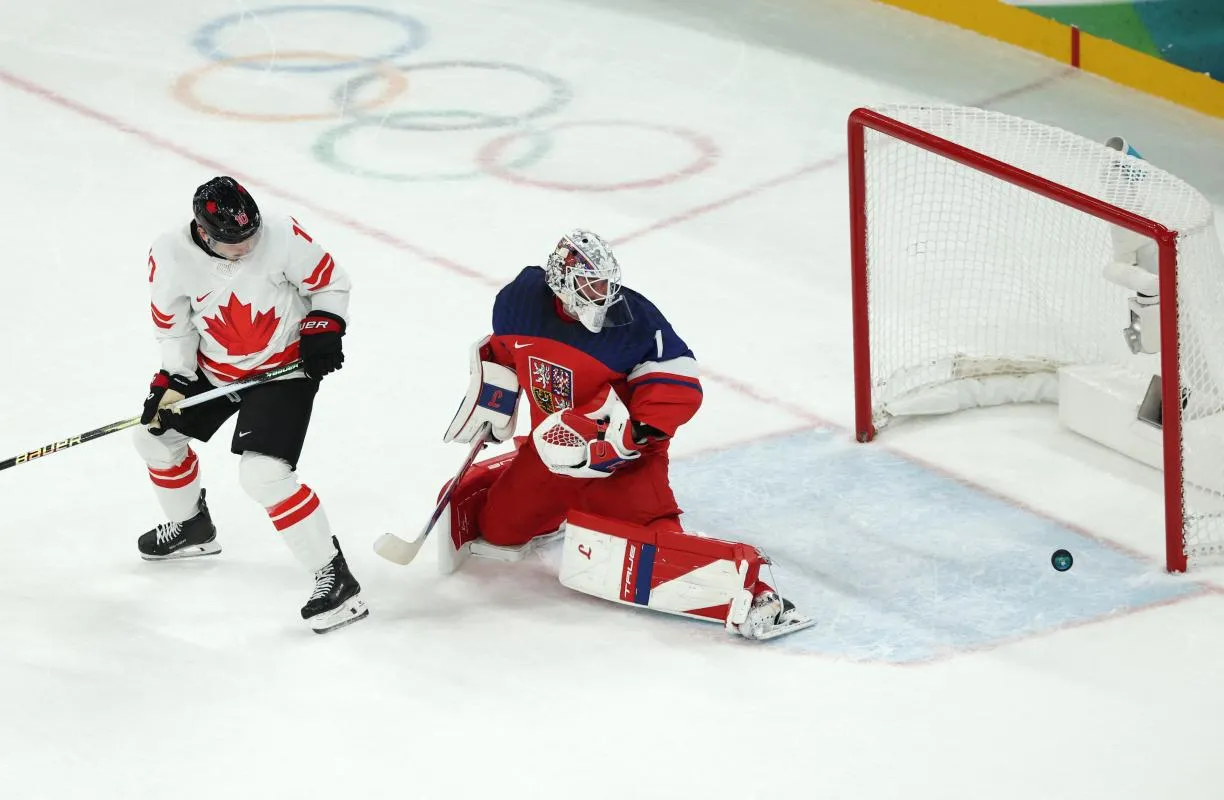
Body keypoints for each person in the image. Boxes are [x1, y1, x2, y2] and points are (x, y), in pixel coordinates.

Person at [437, 230, 812, 640]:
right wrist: (494, 398)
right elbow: (505, 354)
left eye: (605, 282)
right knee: (499, 531)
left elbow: (677, 381)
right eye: (590, 284)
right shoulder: (519, 303)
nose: (603, 294)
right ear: (562, 283)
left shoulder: (635, 321)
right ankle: (548, 502)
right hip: (551, 450)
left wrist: (628, 437)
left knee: (658, 548)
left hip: (621, 462)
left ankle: (753, 596)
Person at [133, 176, 367, 634]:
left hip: (283, 370)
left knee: (263, 475)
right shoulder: (169, 255)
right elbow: (174, 327)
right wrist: (173, 379)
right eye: (234, 240)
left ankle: (335, 579)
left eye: (250, 234)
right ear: (203, 232)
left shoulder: (281, 234)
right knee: (153, 437)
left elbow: (331, 282)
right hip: (216, 369)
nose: (247, 246)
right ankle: (192, 528)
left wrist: (325, 325)